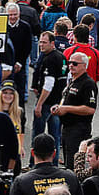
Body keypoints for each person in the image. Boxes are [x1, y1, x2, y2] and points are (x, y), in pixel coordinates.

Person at [51, 52, 97, 168]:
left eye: (75, 63)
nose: (71, 65)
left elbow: (90, 109)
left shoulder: (88, 83)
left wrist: (66, 109)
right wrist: (59, 107)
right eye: (69, 63)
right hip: (67, 127)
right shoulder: (72, 80)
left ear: (84, 65)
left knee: (74, 164)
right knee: (68, 161)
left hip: (79, 128)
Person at [31, 32, 67, 163]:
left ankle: (34, 163)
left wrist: (39, 103)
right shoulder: (62, 57)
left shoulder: (49, 59)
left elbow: (49, 84)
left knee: (38, 136)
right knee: (55, 136)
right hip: (57, 103)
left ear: (52, 43)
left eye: (44, 42)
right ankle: (54, 163)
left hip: (47, 103)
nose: (41, 45)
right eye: (40, 42)